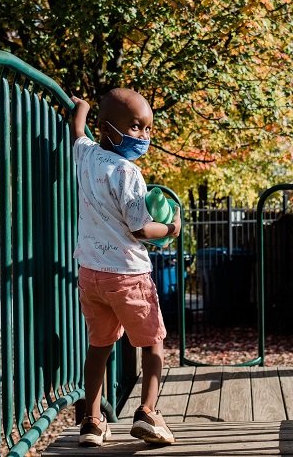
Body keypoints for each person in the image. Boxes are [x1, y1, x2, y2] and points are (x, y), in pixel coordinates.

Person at [69, 88, 181, 447]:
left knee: (99, 346)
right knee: (152, 344)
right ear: (107, 129)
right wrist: (171, 229)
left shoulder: (86, 157)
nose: (144, 136)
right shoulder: (128, 172)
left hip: (91, 275)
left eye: (147, 128)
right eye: (135, 127)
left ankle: (92, 420)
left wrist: (81, 107)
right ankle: (148, 412)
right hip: (128, 275)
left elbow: (76, 131)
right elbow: (139, 228)